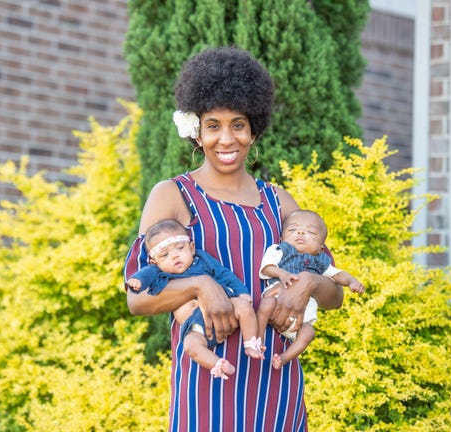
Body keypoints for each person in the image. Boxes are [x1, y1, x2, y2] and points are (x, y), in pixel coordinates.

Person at [124, 46, 344, 431]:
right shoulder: (172, 195)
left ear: (254, 129)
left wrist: (308, 283)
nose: (226, 139)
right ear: (198, 130)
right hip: (208, 383)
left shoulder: (279, 201)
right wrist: (201, 285)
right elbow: (136, 299)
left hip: (276, 384)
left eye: (238, 124)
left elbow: (335, 296)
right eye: (214, 125)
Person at [126, 219, 264, 379]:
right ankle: (218, 364)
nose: (174, 255)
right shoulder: (158, 272)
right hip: (196, 326)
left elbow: (224, 274)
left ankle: (250, 344)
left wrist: (242, 293)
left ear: (191, 247)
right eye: (165, 254)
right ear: (154, 262)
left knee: (244, 307)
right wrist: (137, 281)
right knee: (191, 345)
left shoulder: (201, 260)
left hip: (225, 307)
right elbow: (145, 274)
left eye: (180, 248)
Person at [257, 209, 364, 370]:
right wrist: (282, 273)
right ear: (282, 238)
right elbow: (267, 268)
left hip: (302, 319)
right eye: (292, 230)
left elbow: (336, 274)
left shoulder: (320, 261)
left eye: (311, 232)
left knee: (308, 333)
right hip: (277, 300)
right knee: (265, 305)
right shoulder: (280, 251)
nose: (300, 232)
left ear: (321, 248)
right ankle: (257, 339)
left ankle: (284, 357)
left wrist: (351, 281)